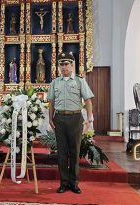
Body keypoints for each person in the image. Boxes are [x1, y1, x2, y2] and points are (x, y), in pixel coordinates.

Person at [47, 52, 94, 194]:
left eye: (66, 64)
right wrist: (50, 118)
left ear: (72, 65)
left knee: (74, 151)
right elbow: (51, 102)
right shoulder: (55, 82)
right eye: (61, 64)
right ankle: (63, 183)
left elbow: (88, 100)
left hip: (75, 118)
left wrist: (89, 119)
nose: (64, 67)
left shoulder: (80, 81)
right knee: (62, 153)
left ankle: (74, 183)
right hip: (59, 119)